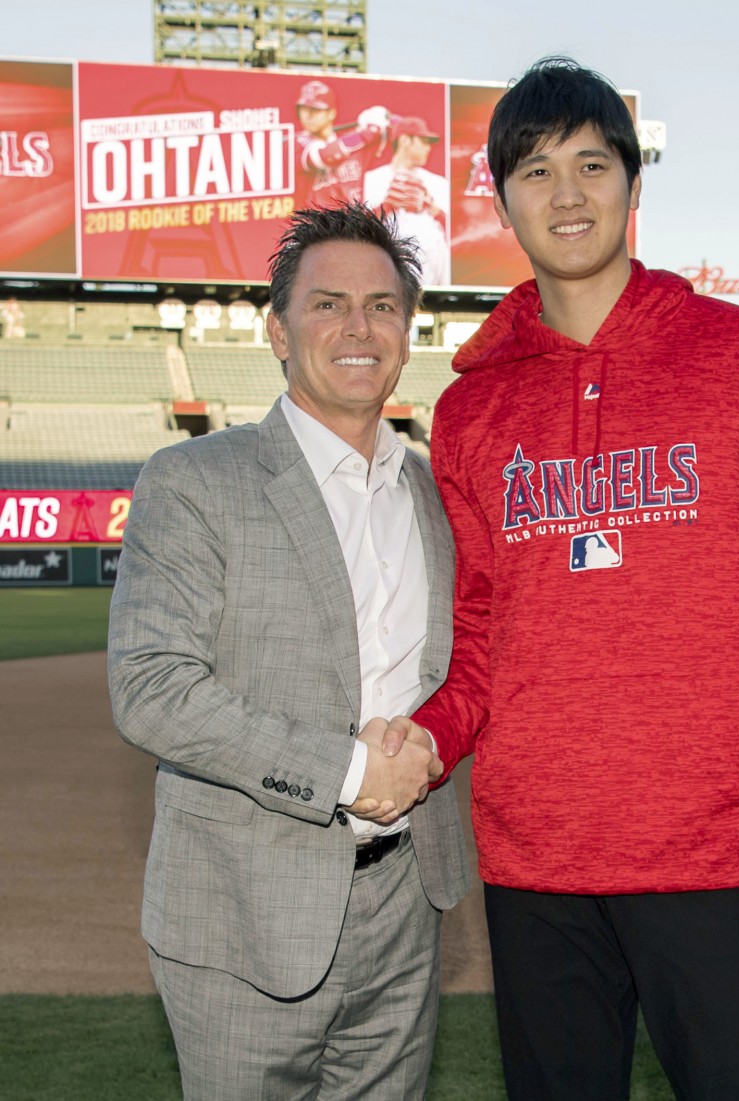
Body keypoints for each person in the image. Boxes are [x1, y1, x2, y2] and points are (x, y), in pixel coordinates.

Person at [386, 58, 739, 1100]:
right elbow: (480, 633)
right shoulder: (471, 412)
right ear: (504, 201)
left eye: (591, 164)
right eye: (535, 171)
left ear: (634, 183)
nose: (567, 194)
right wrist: (427, 738)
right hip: (535, 864)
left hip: (720, 860)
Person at [108, 203, 469, 1101]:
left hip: (405, 899)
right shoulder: (195, 479)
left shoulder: (434, 492)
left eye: (383, 306)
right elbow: (151, 687)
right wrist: (349, 772)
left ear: (408, 330)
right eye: (328, 304)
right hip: (242, 909)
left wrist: (425, 747)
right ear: (277, 329)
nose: (359, 327)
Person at [364, 116, 451, 286]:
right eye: (423, 141)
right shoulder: (373, 178)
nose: (428, 148)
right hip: (388, 258)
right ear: (404, 140)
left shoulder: (438, 182)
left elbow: (456, 232)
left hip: (431, 256)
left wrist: (429, 205)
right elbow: (362, 228)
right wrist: (388, 205)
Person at [294, 78, 392, 208]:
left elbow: (402, 130)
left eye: (315, 109)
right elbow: (330, 155)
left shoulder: (353, 144)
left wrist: (385, 118)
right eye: (304, 109)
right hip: (317, 225)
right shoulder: (298, 143)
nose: (308, 115)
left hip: (351, 223)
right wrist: (368, 131)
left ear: (331, 113)